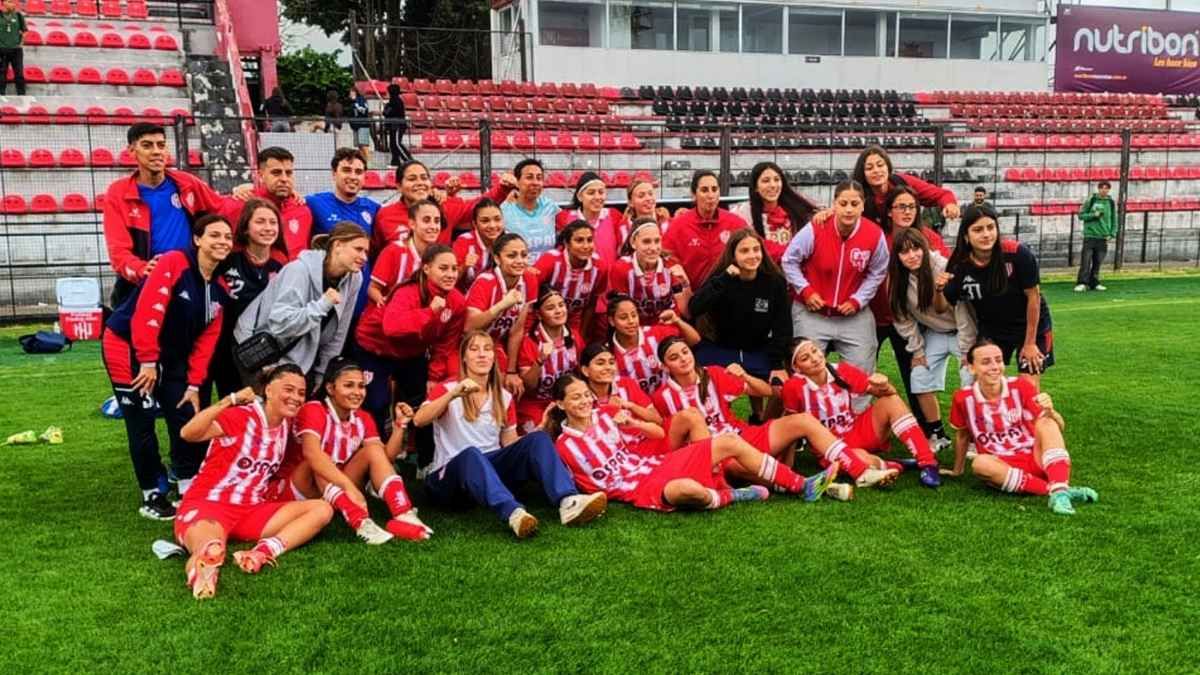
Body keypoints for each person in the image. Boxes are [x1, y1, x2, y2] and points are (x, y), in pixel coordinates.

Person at [413, 331, 608, 538]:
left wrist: (539, 433)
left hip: (490, 471)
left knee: (538, 439)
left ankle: (568, 501)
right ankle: (513, 513)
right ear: (464, 357)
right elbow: (419, 420)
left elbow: (510, 443)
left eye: (487, 349)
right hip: (449, 479)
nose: (482, 354)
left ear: (493, 357)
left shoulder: (503, 396)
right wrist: (453, 395)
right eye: (474, 349)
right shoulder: (448, 388)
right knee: (471, 454)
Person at [546, 374, 838, 512]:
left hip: (658, 463)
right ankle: (733, 495)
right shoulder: (563, 446)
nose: (584, 401)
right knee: (686, 490)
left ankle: (802, 485)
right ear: (560, 404)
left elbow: (657, 434)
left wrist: (633, 423)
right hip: (640, 488)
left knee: (728, 441)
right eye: (575, 397)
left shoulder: (606, 414)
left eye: (586, 395)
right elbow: (588, 487)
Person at [101, 214, 233, 520]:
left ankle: (188, 483)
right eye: (214, 235)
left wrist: (194, 384)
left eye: (227, 237)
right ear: (197, 239)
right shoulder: (174, 262)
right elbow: (148, 312)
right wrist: (147, 361)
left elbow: (206, 342)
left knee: (185, 411)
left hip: (169, 358)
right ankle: (152, 492)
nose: (222, 242)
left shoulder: (219, 289)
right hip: (127, 347)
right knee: (141, 419)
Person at [175, 365, 332, 600]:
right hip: (210, 505)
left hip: (251, 510)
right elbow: (188, 433)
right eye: (288, 389)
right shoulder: (242, 416)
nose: (296, 397)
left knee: (322, 509)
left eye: (301, 393)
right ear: (268, 390)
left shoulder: (286, 425)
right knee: (212, 549)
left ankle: (262, 551)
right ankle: (203, 572)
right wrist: (229, 400)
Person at [652, 336, 882, 492]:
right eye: (674, 357)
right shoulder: (662, 397)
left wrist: (745, 376)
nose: (683, 359)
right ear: (664, 367)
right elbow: (671, 439)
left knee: (803, 420)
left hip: (744, 435)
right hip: (719, 453)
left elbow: (766, 391)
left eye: (685, 352)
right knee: (736, 468)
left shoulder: (713, 374)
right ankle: (804, 484)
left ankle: (859, 471)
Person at [275, 357, 431, 542]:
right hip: (301, 489)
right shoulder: (314, 409)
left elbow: (385, 458)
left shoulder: (363, 417)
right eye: (349, 385)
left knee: (373, 451)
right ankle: (361, 522)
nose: (357, 392)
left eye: (361, 386)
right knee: (319, 460)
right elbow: (312, 454)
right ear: (330, 388)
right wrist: (350, 487)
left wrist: (400, 426)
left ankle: (403, 512)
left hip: (337, 490)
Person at [945, 340, 1098, 516]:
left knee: (1046, 422)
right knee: (980, 463)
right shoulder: (963, 398)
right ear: (972, 368)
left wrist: (1051, 412)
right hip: (1002, 466)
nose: (994, 367)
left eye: (998, 360)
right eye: (986, 362)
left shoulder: (1021, 386)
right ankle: (1059, 490)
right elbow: (962, 435)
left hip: (1037, 458)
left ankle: (1057, 488)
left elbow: (1058, 428)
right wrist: (957, 470)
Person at [781, 338, 938, 489]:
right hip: (829, 447)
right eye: (805, 358)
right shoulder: (793, 387)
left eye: (815, 351)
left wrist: (884, 385)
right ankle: (892, 465)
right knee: (860, 458)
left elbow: (888, 393)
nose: (815, 359)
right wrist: (787, 467)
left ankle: (928, 463)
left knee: (891, 401)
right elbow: (791, 426)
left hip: (855, 431)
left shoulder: (840, 370)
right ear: (796, 368)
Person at [234, 223, 368, 391]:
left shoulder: (355, 278)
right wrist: (322, 305)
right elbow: (280, 325)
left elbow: (339, 332)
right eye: (358, 249)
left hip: (301, 356)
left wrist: (322, 373)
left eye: (366, 252)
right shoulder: (299, 270)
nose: (364, 257)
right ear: (338, 245)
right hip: (258, 349)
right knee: (266, 404)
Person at [103, 122, 226, 305]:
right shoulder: (118, 193)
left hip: (188, 279)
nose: (156, 151)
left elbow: (223, 207)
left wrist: (244, 193)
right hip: (142, 285)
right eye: (147, 145)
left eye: (161, 145)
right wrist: (141, 269)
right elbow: (118, 250)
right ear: (132, 151)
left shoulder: (186, 183)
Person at [353, 244, 465, 433]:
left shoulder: (457, 301)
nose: (450, 274)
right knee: (376, 402)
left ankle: (419, 450)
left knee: (424, 400)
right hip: (374, 348)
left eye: (454, 269)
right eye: (443, 268)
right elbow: (391, 327)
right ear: (426, 268)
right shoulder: (408, 292)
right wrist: (430, 312)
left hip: (411, 352)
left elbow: (446, 343)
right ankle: (376, 445)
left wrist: (434, 376)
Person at [781, 180, 888, 376]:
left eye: (855, 204)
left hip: (853, 315)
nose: (849, 210)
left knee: (861, 374)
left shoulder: (874, 234)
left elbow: (878, 271)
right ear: (834, 204)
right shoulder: (816, 228)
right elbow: (789, 260)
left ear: (863, 205)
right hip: (812, 311)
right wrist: (806, 291)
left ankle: (855, 398)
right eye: (843, 203)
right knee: (806, 372)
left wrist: (858, 300)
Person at [871, 185, 951, 440]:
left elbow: (948, 277)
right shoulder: (877, 237)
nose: (907, 211)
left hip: (920, 319)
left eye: (911, 207)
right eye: (901, 206)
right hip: (877, 315)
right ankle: (860, 423)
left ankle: (930, 429)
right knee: (865, 371)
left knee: (914, 369)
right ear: (889, 211)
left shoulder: (929, 238)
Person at [943, 204, 1053, 387]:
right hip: (992, 329)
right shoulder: (959, 265)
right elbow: (946, 304)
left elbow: (1034, 297)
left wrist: (1030, 343)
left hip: (1029, 325)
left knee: (1028, 386)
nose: (986, 234)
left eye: (990, 227)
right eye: (978, 230)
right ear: (966, 236)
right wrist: (939, 288)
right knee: (985, 382)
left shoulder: (1017, 254)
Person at [888, 226, 976, 451]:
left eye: (916, 248)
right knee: (919, 376)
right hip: (935, 333)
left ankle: (975, 437)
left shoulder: (944, 267)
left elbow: (963, 310)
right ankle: (938, 435)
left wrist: (967, 349)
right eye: (904, 252)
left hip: (963, 330)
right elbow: (902, 318)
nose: (912, 255)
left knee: (970, 378)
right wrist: (917, 350)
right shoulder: (897, 279)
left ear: (924, 248)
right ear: (898, 256)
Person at [688, 228, 792, 387]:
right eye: (744, 251)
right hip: (721, 348)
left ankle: (759, 405)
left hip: (757, 349)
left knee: (781, 386)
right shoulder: (721, 279)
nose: (752, 255)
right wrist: (725, 278)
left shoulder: (774, 282)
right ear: (733, 255)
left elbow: (783, 325)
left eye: (756, 249)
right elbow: (694, 308)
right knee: (702, 383)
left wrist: (777, 364)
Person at [210, 199, 287, 397]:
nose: (268, 227)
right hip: (223, 344)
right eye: (260, 221)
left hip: (261, 348)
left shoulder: (282, 266)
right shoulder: (227, 260)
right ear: (245, 228)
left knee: (260, 401)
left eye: (273, 222)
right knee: (231, 401)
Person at [374, 160, 516, 254]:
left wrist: (502, 189)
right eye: (412, 179)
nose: (420, 183)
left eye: (424, 178)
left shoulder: (444, 207)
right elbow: (376, 254)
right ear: (398, 186)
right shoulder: (385, 215)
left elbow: (477, 206)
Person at [464, 233, 539, 394]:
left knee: (510, 386)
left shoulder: (529, 280)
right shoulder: (486, 281)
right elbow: (469, 327)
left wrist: (511, 371)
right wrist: (501, 306)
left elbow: (517, 330)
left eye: (524, 255)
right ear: (497, 259)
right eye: (512, 256)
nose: (519, 260)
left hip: (495, 344)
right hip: (467, 344)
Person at [223, 147, 312, 260]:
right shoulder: (239, 204)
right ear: (260, 175)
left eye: (288, 173)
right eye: (276, 173)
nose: (284, 179)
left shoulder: (303, 209)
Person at [663, 170, 748, 288]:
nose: (711, 195)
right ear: (694, 194)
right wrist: (681, 284)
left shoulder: (736, 223)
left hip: (729, 294)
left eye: (714, 189)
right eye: (704, 190)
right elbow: (666, 258)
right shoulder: (678, 226)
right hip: (693, 295)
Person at [516, 287, 583, 432]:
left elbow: (581, 373)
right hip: (536, 403)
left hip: (566, 400)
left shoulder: (574, 336)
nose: (558, 311)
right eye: (550, 308)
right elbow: (529, 386)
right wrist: (540, 361)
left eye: (561, 305)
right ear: (539, 314)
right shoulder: (529, 342)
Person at [607, 293, 700, 395]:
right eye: (623, 317)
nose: (631, 321)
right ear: (611, 321)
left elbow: (694, 340)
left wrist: (677, 321)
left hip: (671, 398)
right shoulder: (607, 354)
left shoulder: (656, 333)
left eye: (634, 315)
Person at [844, 145, 960, 226]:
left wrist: (950, 205)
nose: (876, 171)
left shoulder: (903, 181)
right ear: (862, 173)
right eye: (869, 168)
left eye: (880, 165)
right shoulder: (855, 193)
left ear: (888, 167)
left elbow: (942, 194)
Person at [608, 218, 690, 328]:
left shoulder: (671, 265)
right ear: (633, 243)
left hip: (667, 328)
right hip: (634, 329)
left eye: (657, 241)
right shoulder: (620, 269)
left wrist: (685, 284)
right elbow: (621, 316)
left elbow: (687, 313)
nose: (653, 248)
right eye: (646, 241)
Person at [532, 219, 607, 339]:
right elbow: (530, 296)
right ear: (566, 243)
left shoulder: (600, 267)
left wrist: (581, 336)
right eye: (579, 240)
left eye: (589, 240)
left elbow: (590, 305)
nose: (586, 246)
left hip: (573, 323)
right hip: (542, 322)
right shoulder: (550, 261)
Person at [729, 161, 817, 262]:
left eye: (777, 180)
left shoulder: (797, 208)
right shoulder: (742, 213)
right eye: (766, 181)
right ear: (756, 187)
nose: (773, 185)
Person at [368, 199, 443, 304]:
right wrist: (384, 303)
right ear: (412, 224)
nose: (433, 226)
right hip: (389, 311)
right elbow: (373, 288)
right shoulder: (394, 250)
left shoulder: (439, 255)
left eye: (437, 221)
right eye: (426, 220)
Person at [305, 148, 380, 238]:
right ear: (334, 173)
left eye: (358, 172)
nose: (353, 177)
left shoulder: (374, 209)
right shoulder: (314, 203)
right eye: (346, 170)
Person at [554, 171, 625, 264]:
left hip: (609, 272)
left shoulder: (614, 216)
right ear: (580, 196)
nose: (597, 197)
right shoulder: (565, 217)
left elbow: (623, 250)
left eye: (601, 192)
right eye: (591, 193)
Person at [501, 159, 560, 262]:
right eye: (529, 177)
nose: (535, 183)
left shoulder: (550, 206)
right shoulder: (505, 211)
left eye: (539, 178)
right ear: (517, 181)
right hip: (519, 270)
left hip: (549, 269)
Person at [1075, 181, 1117, 293]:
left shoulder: (1111, 202)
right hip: (1090, 235)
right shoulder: (1091, 200)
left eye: (1106, 188)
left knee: (1098, 262)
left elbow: (1114, 219)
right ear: (1098, 189)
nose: (1104, 190)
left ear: (1109, 190)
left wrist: (1112, 234)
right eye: (1102, 188)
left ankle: (1094, 282)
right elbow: (1081, 215)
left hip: (1103, 236)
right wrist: (1093, 215)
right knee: (1086, 261)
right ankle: (1082, 283)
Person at [453, 198, 504, 291]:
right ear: (475, 224)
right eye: (485, 221)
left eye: (497, 219)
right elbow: (449, 280)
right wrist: (464, 267)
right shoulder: (464, 241)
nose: (492, 225)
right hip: (465, 295)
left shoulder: (508, 240)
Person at [0, 0, 27, 96]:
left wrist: (21, 43)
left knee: (19, 74)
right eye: (10, 1)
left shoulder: (18, 15)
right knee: (1, 74)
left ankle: (21, 95)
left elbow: (25, 31)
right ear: (3, 3)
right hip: (1, 49)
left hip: (16, 50)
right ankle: (1, 95)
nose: (13, 4)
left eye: (13, 2)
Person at [382, 83, 411, 166]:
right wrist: (387, 106)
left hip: (397, 126)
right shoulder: (392, 101)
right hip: (393, 126)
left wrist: (386, 107)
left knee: (397, 144)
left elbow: (387, 113)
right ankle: (395, 161)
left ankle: (408, 160)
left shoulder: (396, 101)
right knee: (392, 145)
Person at [348, 87, 373, 162]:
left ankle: (370, 164)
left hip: (363, 125)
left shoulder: (361, 100)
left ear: (355, 92)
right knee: (360, 146)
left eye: (351, 92)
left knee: (364, 146)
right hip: (355, 126)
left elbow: (363, 110)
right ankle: (365, 162)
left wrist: (356, 105)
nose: (350, 94)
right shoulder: (352, 102)